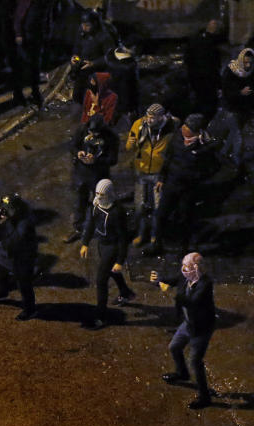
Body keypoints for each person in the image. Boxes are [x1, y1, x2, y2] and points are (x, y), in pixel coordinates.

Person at [143, 113, 220, 255]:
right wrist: (161, 178)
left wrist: (197, 177)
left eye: (187, 127)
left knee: (185, 218)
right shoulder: (177, 138)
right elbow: (168, 158)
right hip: (171, 184)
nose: (183, 128)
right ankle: (156, 244)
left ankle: (183, 249)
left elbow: (213, 168)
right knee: (161, 215)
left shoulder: (205, 147)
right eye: (184, 125)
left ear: (196, 131)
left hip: (188, 189)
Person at [150, 252, 216, 410]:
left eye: (187, 266)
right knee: (174, 347)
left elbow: (192, 301)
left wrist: (173, 293)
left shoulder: (205, 284)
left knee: (195, 362)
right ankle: (182, 373)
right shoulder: (185, 278)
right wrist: (158, 279)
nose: (183, 269)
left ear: (196, 268)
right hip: (187, 324)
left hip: (201, 329)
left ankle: (204, 396)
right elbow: (171, 280)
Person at [79, 179, 134, 329]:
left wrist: (120, 260)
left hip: (112, 247)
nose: (99, 196)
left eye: (102, 194)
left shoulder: (117, 212)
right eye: (97, 193)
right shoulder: (96, 204)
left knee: (101, 280)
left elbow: (123, 238)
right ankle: (125, 292)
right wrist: (85, 242)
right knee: (111, 271)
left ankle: (101, 316)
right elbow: (91, 223)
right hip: (102, 244)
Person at [126, 104, 179, 248]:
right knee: (140, 206)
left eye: (153, 117)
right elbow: (129, 146)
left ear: (161, 117)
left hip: (158, 173)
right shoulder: (139, 125)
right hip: (141, 171)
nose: (149, 120)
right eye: (148, 116)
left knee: (157, 208)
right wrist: (130, 144)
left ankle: (155, 236)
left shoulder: (170, 131)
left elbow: (172, 154)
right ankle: (141, 234)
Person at [65, 114, 118, 244]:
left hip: (99, 176)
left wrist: (97, 160)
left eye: (95, 132)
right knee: (79, 203)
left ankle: (102, 229)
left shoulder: (111, 137)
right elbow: (73, 145)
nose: (92, 134)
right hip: (81, 174)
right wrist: (78, 153)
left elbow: (113, 159)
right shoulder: (82, 130)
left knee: (101, 204)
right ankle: (78, 229)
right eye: (90, 131)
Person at [0, 194, 38, 320]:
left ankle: (29, 309)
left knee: (23, 284)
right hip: (5, 252)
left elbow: (13, 242)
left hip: (21, 256)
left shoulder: (25, 222)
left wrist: (2, 224)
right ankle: (1, 291)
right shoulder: (10, 215)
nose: (4, 212)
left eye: (7, 210)